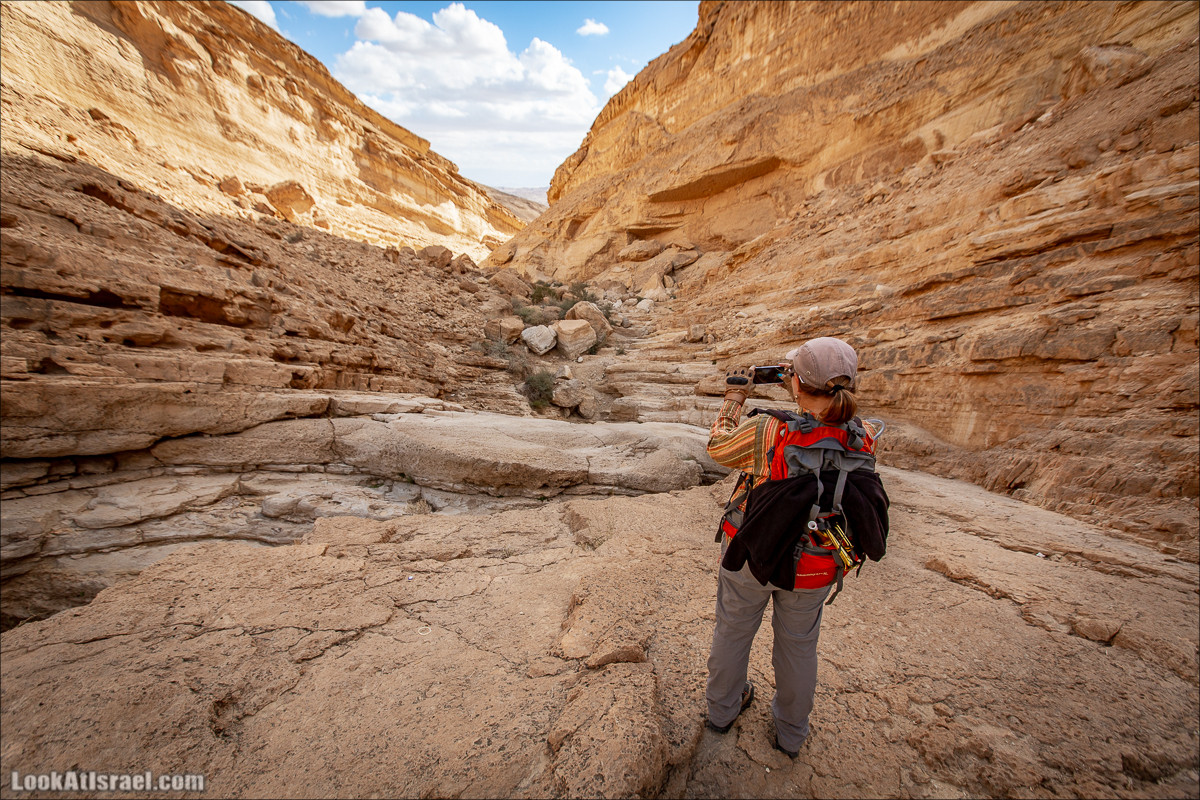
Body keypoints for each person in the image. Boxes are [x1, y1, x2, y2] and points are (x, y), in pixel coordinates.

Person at [703, 336, 889, 758]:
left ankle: (722, 712)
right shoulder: (866, 437)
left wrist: (734, 397)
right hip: (817, 563)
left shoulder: (770, 429)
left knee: (733, 631)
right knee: (800, 646)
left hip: (753, 555)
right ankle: (790, 734)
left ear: (797, 385)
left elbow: (717, 446)